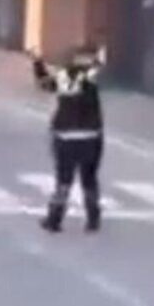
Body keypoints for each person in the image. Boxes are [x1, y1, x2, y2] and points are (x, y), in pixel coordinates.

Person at [31, 45, 105, 233]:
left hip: (65, 135)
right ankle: (93, 218)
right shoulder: (92, 74)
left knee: (64, 180)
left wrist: (37, 62)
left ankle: (54, 219)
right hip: (90, 135)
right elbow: (102, 66)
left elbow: (44, 83)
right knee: (89, 178)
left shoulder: (63, 75)